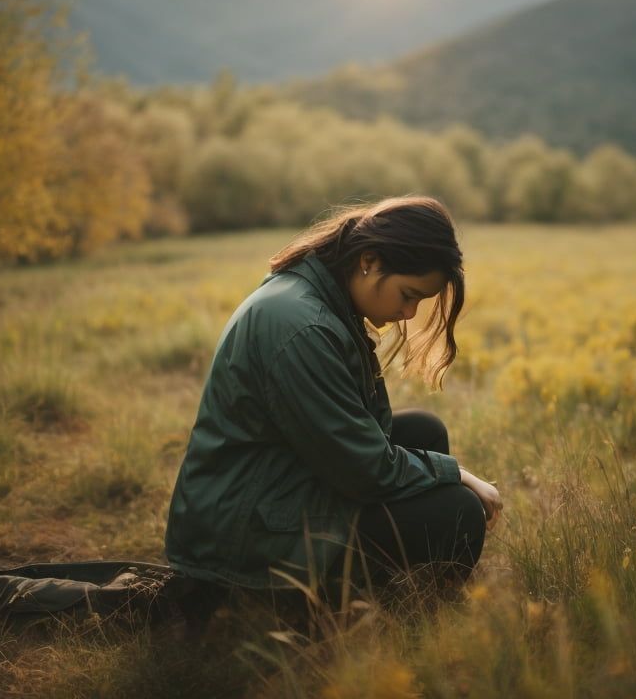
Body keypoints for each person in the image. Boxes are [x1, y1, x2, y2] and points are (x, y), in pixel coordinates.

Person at [164, 196, 502, 599]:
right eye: (408, 294)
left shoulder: (315, 297)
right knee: (459, 512)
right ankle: (303, 607)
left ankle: (386, 594)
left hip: (273, 486)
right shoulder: (302, 326)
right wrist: (457, 473)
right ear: (370, 261)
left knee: (424, 432)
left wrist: (439, 470)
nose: (410, 314)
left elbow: (357, 437)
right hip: (242, 541)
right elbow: (366, 470)